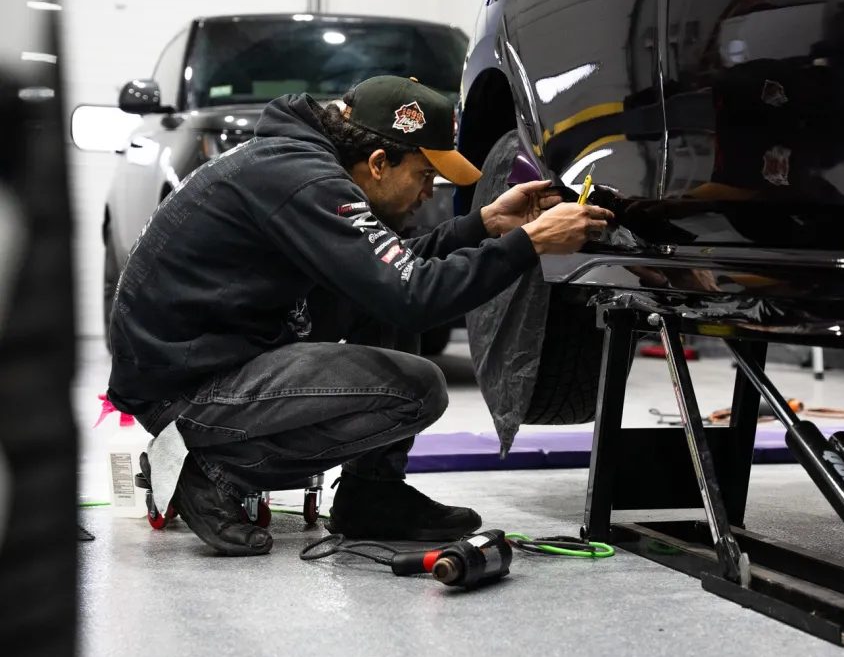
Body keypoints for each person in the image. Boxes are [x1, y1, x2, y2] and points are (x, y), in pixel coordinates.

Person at [106, 76, 612, 555]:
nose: (428, 192)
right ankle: (209, 468)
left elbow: (387, 270)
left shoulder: (298, 163)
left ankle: (371, 495)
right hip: (186, 390)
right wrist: (529, 243)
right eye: (425, 174)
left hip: (212, 358)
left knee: (384, 305)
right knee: (417, 390)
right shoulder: (305, 180)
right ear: (377, 162)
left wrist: (482, 225)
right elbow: (415, 293)